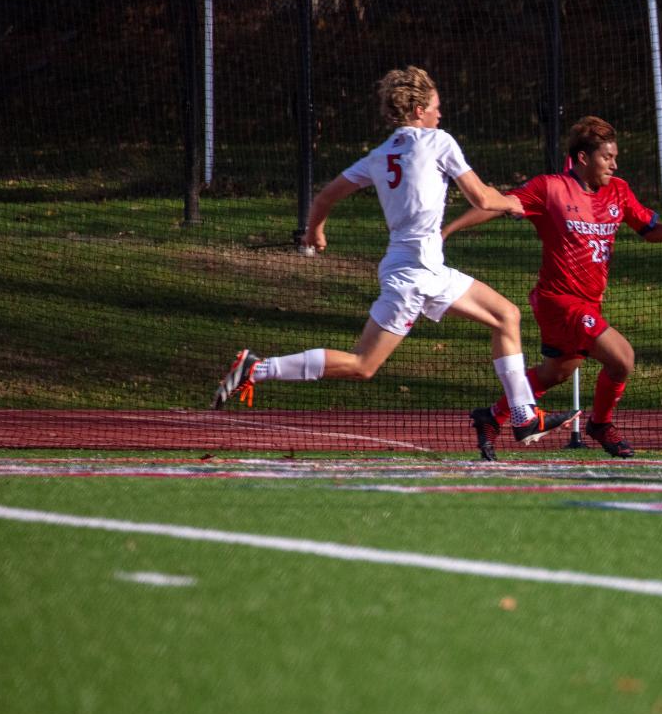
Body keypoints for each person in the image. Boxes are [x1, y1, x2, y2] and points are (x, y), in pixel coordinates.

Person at [211, 66, 577, 445]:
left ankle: (523, 416)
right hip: (412, 277)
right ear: (418, 109)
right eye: (436, 106)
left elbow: (325, 196)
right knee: (362, 366)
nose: (440, 113)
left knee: (506, 315)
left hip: (424, 267)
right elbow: (482, 198)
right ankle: (260, 367)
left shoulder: (381, 153)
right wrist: (513, 203)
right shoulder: (438, 141)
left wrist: (316, 230)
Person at [442, 115, 662, 460]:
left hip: (589, 304)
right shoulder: (549, 188)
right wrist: (446, 232)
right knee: (622, 358)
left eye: (614, 157)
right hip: (558, 301)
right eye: (607, 157)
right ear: (583, 158)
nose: (614, 164)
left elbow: (649, 229)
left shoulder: (619, 191)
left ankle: (492, 416)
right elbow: (498, 204)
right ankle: (600, 424)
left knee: (555, 374)